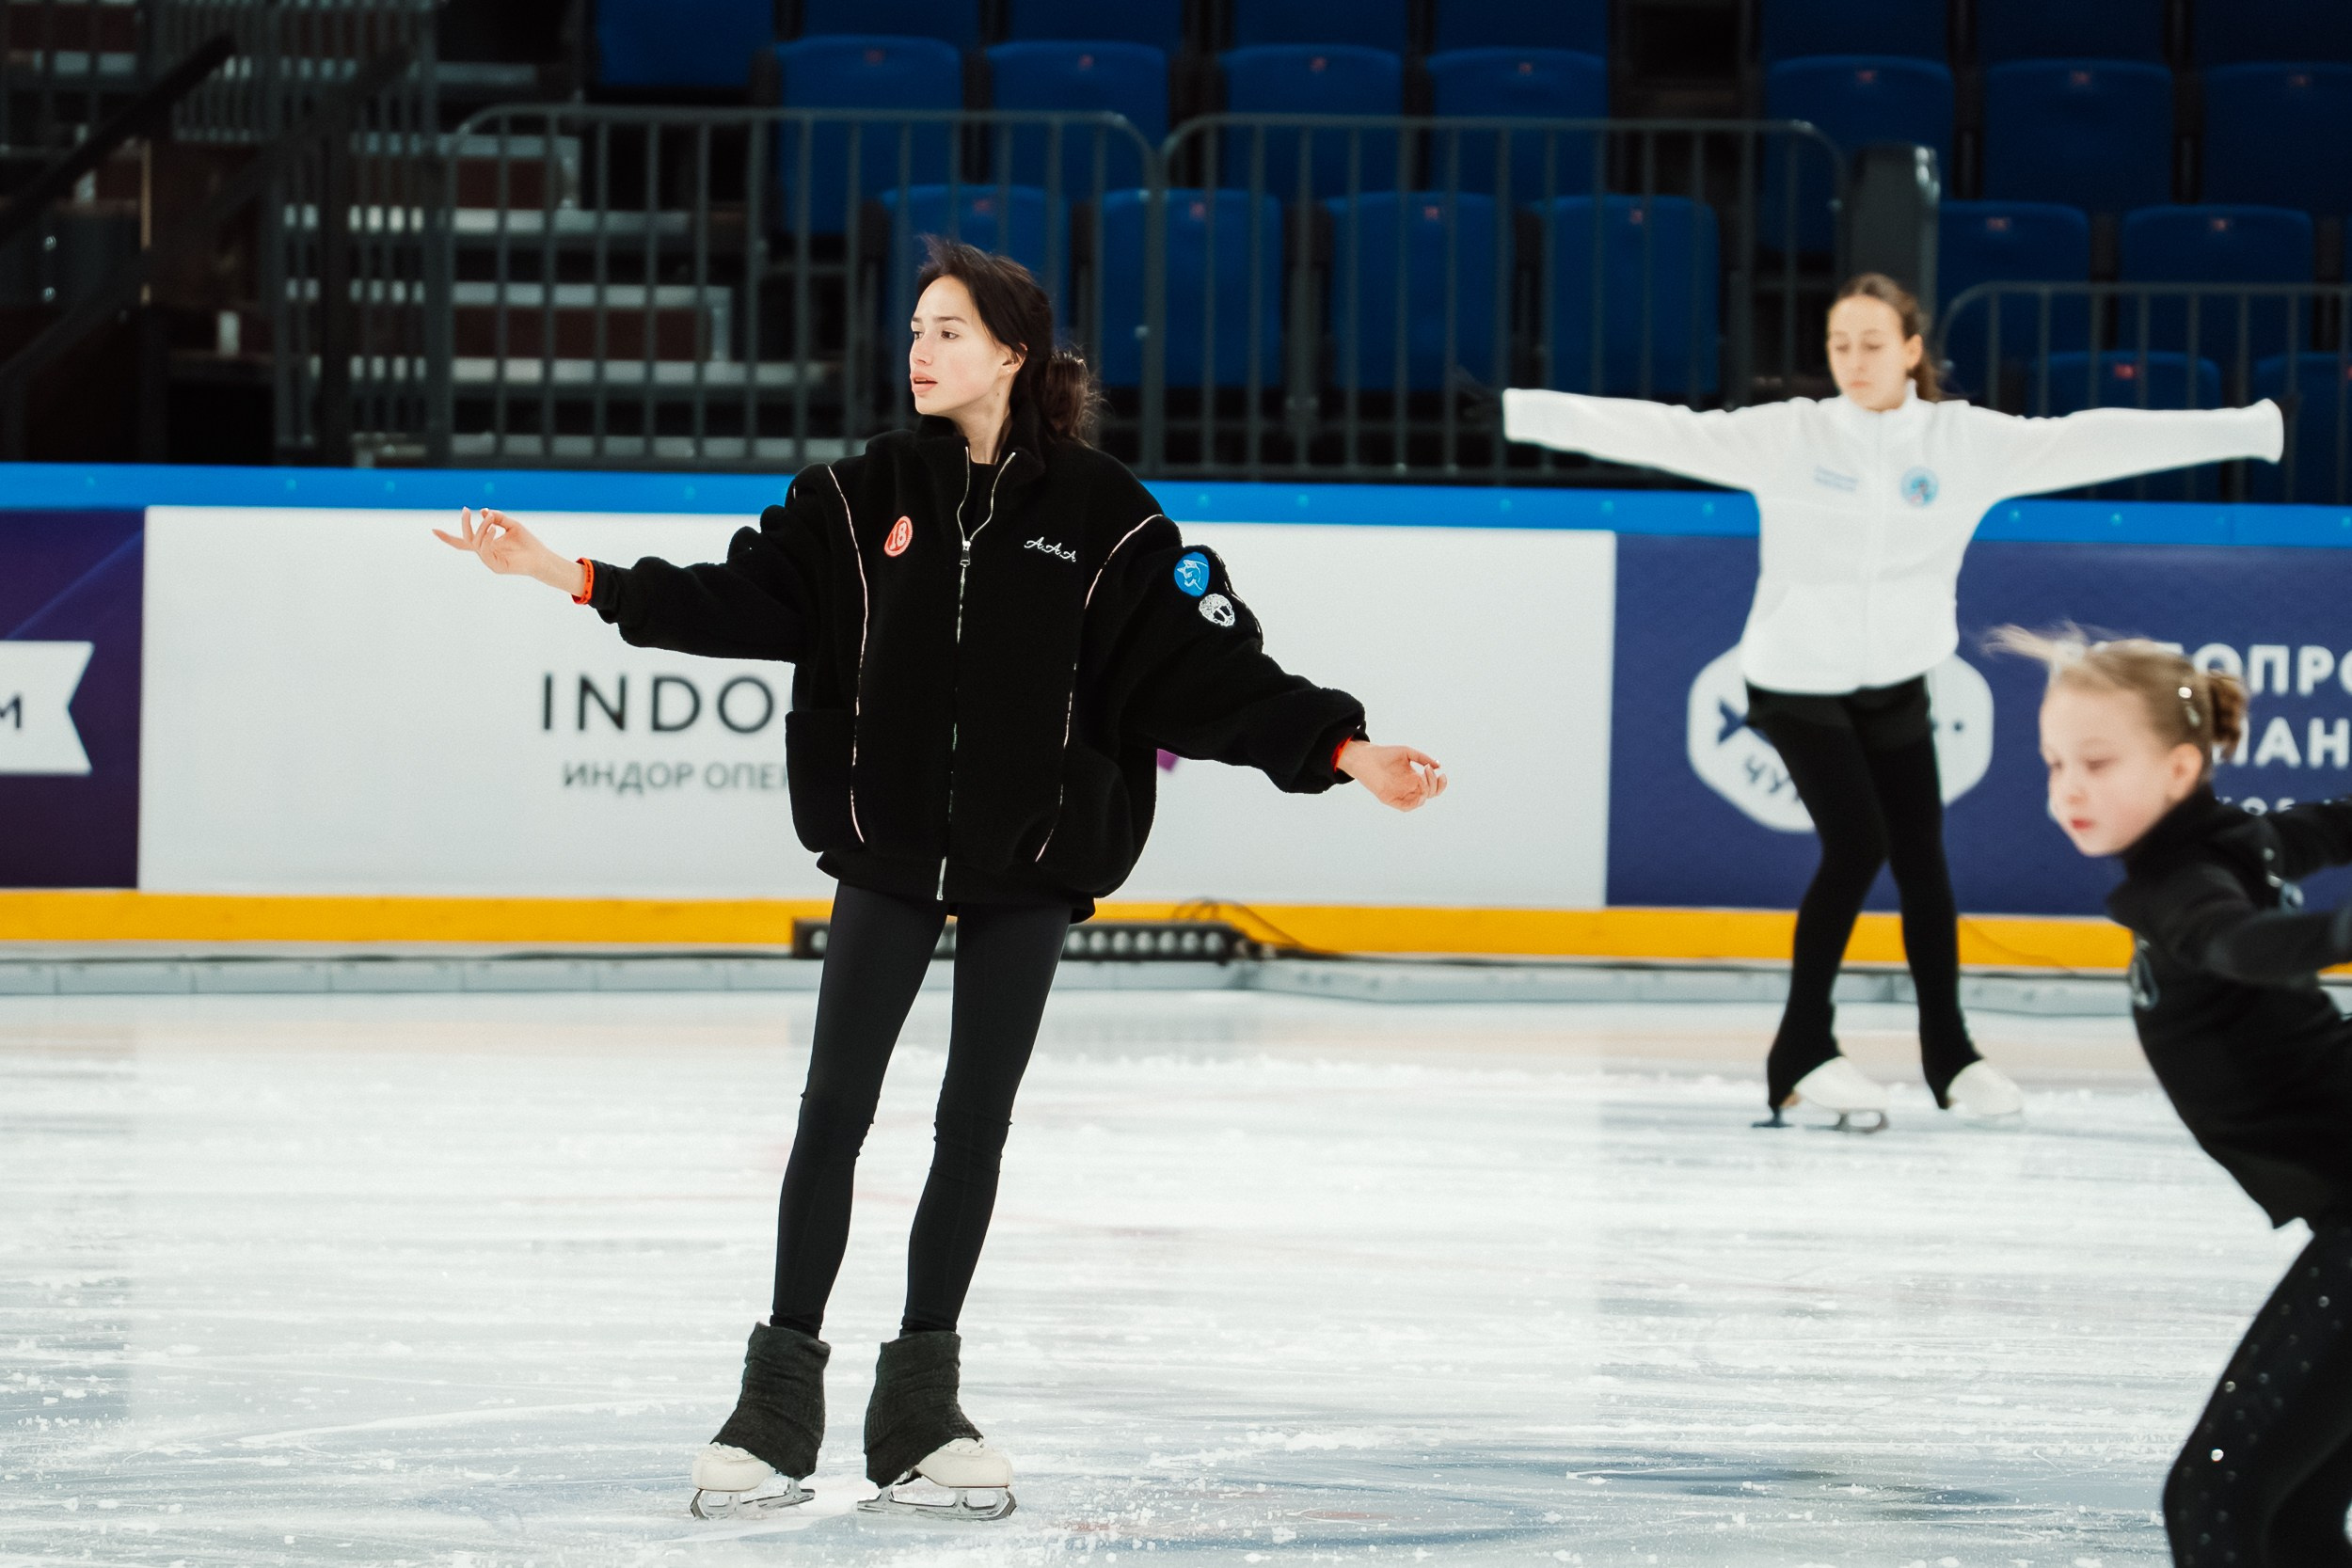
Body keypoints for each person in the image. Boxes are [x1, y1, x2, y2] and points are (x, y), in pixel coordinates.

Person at [436, 240, 1446, 1521]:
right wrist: (568, 574)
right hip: (892, 847)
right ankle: (772, 1408)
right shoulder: (859, 496)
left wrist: (1347, 751)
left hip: (1033, 861)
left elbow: (1211, 674)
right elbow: (739, 602)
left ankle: (920, 1409)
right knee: (834, 1111)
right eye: (915, 328)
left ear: (1014, 353)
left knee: (973, 1125)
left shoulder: (1110, 518)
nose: (920, 350)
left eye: (950, 330)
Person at [1501, 273, 2283, 1129]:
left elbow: (2088, 440)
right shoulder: (1791, 436)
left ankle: (1952, 1057)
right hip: (1794, 679)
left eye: (1873, 343)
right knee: (1857, 844)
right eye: (1840, 344)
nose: (1855, 359)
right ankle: (1801, 1051)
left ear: (1912, 350)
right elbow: (1665, 430)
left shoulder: (1962, 443)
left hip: (1897, 678)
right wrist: (1525, 410)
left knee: (1922, 861)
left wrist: (2243, 430)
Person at [1994, 626, 2352, 1567]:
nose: (2067, 788)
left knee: (2216, 1495)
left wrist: (2335, 933)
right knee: (2289, 1517)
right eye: (2054, 763)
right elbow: (2332, 825)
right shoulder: (2244, 845)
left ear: (2180, 766)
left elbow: (2233, 943)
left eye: (2097, 762)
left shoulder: (2187, 883)